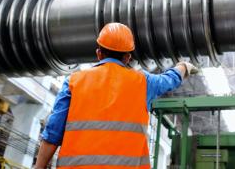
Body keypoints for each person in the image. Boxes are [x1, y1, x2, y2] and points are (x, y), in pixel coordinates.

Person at [35, 23, 198, 169]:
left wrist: (39, 167)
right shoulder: (143, 82)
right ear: (128, 57)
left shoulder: (74, 81)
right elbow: (170, 80)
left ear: (98, 53)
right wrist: (183, 66)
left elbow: (52, 133)